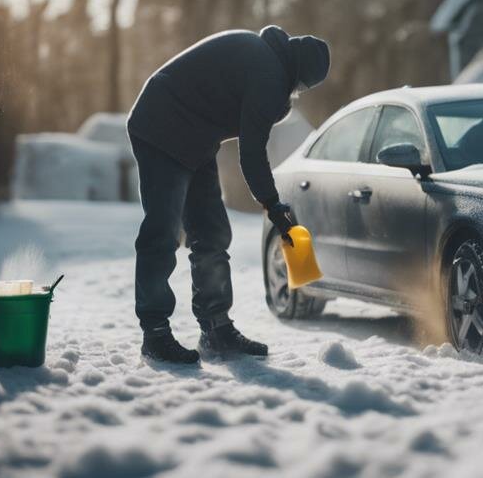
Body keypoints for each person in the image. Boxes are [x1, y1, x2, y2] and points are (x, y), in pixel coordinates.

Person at [126, 25, 330, 363]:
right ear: (299, 73)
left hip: (195, 136)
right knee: (162, 232)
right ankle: (156, 333)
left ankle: (216, 327)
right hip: (160, 125)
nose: (299, 92)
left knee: (211, 231)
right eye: (304, 86)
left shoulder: (266, 59)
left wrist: (271, 203)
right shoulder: (269, 74)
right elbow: (252, 152)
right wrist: (273, 205)